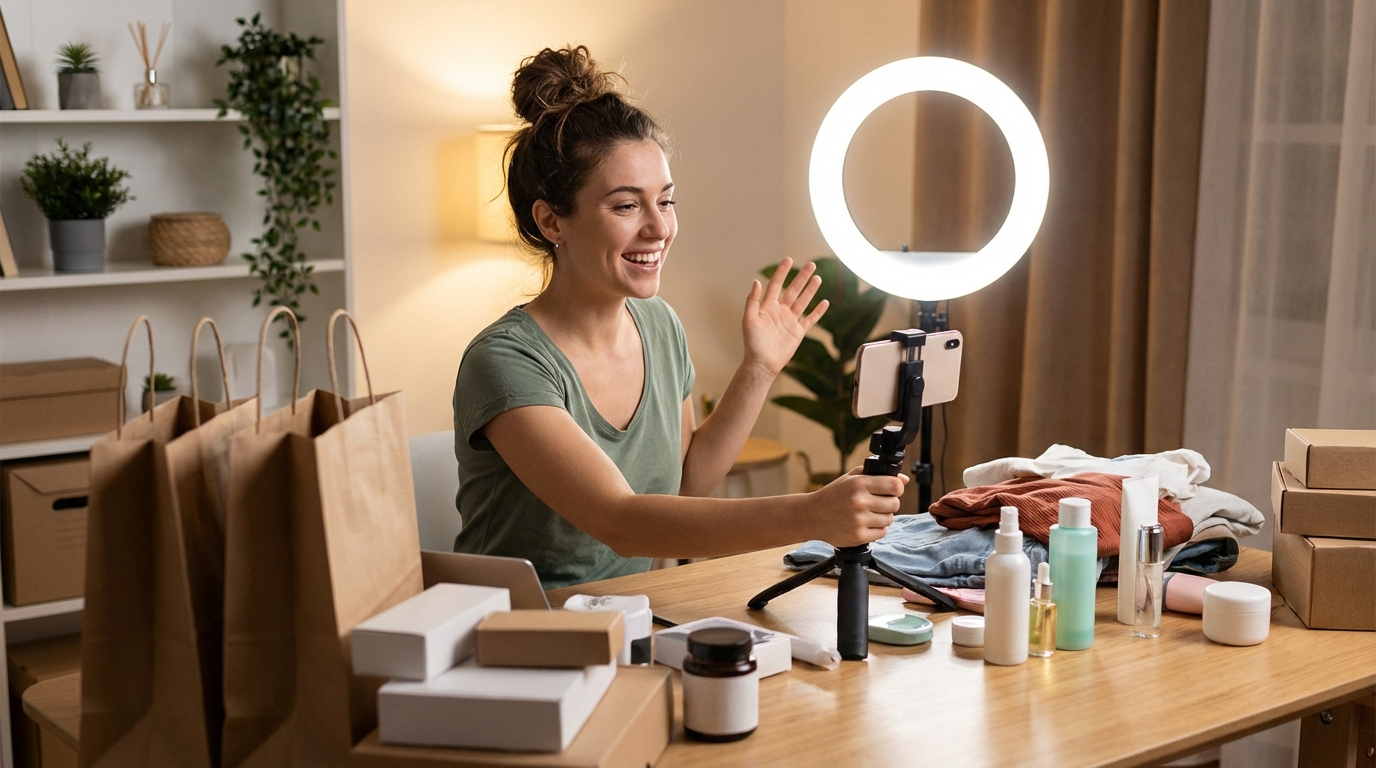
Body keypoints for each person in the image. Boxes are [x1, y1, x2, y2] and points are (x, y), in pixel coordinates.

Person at [452, 45, 905, 589]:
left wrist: (758, 369)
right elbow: (619, 521)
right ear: (552, 221)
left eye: (665, 201)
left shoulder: (657, 324)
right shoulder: (505, 362)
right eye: (626, 205)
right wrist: (812, 515)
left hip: (625, 617)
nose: (659, 228)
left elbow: (688, 484)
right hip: (514, 638)